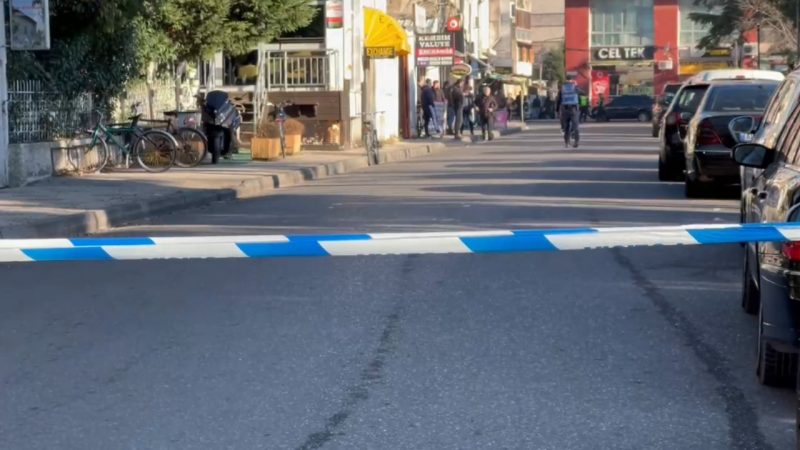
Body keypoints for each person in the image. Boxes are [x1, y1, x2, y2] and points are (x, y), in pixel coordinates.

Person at [556, 75, 580, 148]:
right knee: (575, 126)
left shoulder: (562, 88)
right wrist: (576, 86)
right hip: (574, 109)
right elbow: (583, 93)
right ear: (572, 80)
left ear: (565, 79)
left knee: (566, 127)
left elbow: (558, 100)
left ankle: (566, 142)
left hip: (564, 109)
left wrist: (557, 110)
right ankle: (576, 141)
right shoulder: (575, 87)